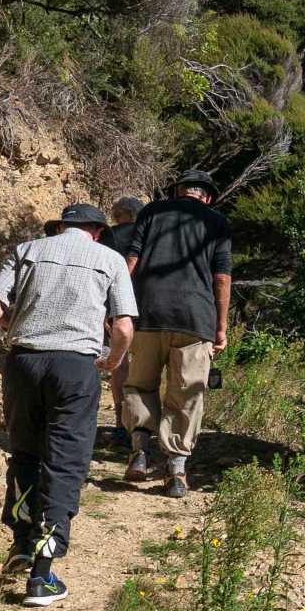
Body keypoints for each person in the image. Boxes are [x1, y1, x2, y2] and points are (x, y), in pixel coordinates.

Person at [0, 203, 137, 607]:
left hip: (24, 361)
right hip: (75, 366)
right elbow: (124, 326)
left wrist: (13, 323)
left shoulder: (27, 250)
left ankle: (22, 543)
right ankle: (42, 576)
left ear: (59, 227)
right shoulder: (109, 259)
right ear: (97, 230)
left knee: (25, 453)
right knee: (65, 461)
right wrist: (113, 360)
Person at [123, 170, 231, 500]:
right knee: (187, 394)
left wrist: (119, 308)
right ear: (207, 197)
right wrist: (221, 327)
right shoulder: (217, 222)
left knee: (140, 384)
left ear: (176, 192)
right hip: (195, 319)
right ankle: (176, 471)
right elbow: (222, 278)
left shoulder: (151, 212)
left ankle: (140, 451)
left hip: (148, 313)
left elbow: (131, 260)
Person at [99, 197, 143, 449]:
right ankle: (142, 425)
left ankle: (121, 425)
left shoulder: (108, 236)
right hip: (149, 305)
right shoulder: (150, 234)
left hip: (116, 306)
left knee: (119, 365)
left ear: (116, 215)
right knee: (146, 367)